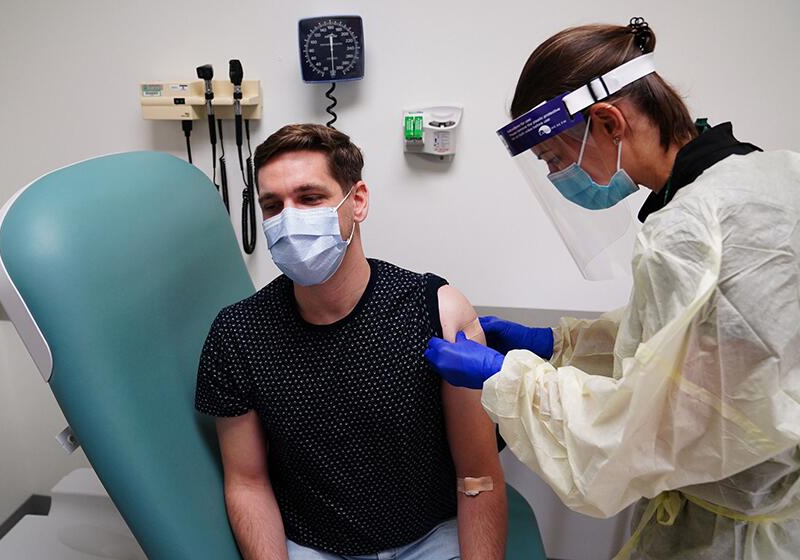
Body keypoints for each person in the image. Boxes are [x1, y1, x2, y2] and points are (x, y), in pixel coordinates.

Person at [424, 17, 800, 560]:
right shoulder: (770, 179)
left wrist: (509, 380)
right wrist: (562, 345)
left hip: (744, 536)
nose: (558, 176)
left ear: (608, 121)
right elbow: (711, 350)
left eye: (555, 158)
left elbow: (634, 436)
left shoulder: (691, 231)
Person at [195, 124, 506, 559]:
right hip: (313, 547)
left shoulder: (436, 311)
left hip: (430, 540)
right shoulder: (238, 336)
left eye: (309, 198)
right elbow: (247, 482)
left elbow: (478, 475)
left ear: (357, 201)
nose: (289, 219)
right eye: (272, 206)